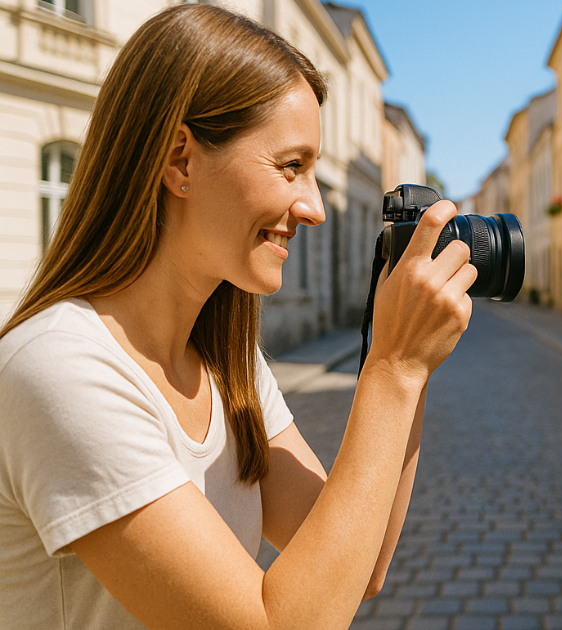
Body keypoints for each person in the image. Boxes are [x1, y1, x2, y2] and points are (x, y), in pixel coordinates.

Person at [0, 5, 476, 629]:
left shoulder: (228, 364)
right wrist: (393, 368)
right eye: (290, 166)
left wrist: (412, 360)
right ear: (180, 161)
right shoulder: (61, 369)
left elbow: (359, 569)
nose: (314, 208)